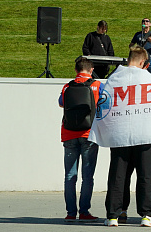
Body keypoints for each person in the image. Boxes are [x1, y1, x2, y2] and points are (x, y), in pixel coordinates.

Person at [89, 47, 151, 228]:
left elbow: (103, 105)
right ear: (142, 62)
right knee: (145, 175)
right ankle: (147, 214)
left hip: (119, 134)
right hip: (145, 135)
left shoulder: (113, 79)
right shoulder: (149, 79)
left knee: (117, 175)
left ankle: (113, 215)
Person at [59, 57, 102, 221]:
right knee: (87, 176)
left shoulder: (67, 86)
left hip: (69, 134)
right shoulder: (97, 85)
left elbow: (61, 103)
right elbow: (104, 104)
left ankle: (70, 213)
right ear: (91, 70)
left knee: (70, 176)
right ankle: (84, 211)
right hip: (89, 134)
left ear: (76, 70)